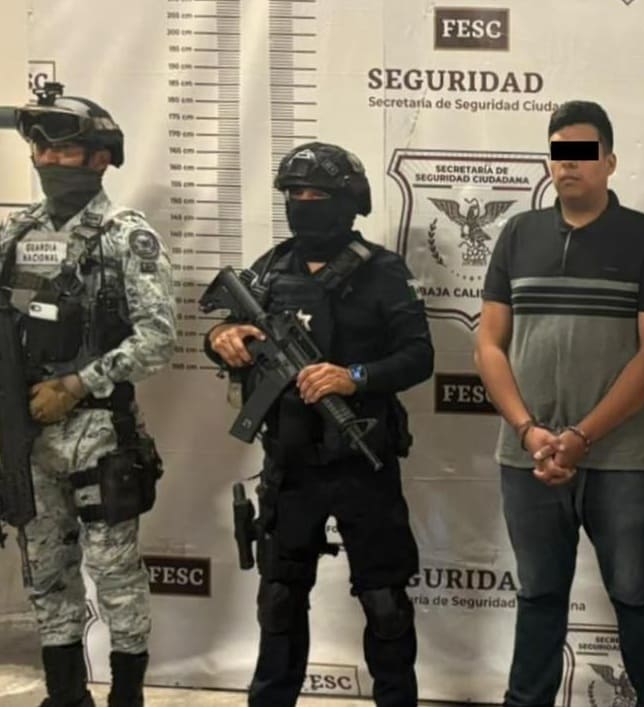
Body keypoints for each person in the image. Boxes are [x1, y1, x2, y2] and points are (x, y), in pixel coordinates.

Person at [474, 100, 644, 707]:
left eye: (582, 153)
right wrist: (528, 431)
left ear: (610, 162)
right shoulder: (518, 234)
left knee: (637, 597)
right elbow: (489, 345)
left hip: (622, 458)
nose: (567, 165)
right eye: (558, 153)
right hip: (529, 455)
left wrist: (581, 436)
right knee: (539, 596)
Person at [203, 142, 434, 707]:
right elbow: (227, 332)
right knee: (280, 600)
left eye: (317, 194)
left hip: (362, 461)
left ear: (349, 201)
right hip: (290, 463)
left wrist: (353, 377)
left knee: (385, 603)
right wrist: (222, 338)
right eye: (294, 193)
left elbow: (419, 357)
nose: (303, 203)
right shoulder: (269, 269)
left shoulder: (382, 271)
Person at [0, 83, 176, 707]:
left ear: (101, 158)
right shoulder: (16, 232)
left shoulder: (126, 236)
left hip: (97, 433)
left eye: (64, 151)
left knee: (114, 573)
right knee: (46, 575)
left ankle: (126, 697)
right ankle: (65, 695)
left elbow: (158, 337)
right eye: (40, 150)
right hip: (26, 434)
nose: (48, 161)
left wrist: (76, 385)